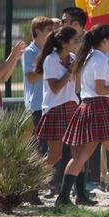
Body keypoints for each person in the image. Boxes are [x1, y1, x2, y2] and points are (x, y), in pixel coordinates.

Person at [56, 24, 109, 206]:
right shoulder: (99, 59)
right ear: (104, 41)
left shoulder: (89, 57)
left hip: (89, 106)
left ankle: (64, 197)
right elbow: (100, 88)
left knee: (82, 155)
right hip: (98, 107)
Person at [34, 26, 86, 202]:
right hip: (55, 108)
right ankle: (30, 186)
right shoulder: (51, 60)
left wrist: (77, 68)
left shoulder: (72, 58)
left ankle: (80, 194)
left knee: (78, 152)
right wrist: (71, 70)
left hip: (71, 106)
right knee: (54, 155)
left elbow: (77, 87)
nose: (77, 43)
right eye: (75, 40)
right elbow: (55, 88)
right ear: (64, 43)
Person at [22, 16, 57, 132]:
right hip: (37, 107)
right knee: (40, 147)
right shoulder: (29, 52)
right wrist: (51, 72)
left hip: (52, 105)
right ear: (37, 31)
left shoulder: (52, 52)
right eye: (48, 30)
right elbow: (30, 78)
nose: (52, 33)